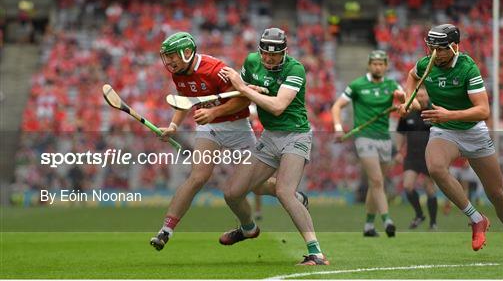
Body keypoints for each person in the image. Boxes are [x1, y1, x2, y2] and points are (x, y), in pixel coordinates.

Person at [150, 31, 307, 251]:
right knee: (197, 177)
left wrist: (215, 112)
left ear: (187, 53)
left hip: (238, 129)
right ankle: (166, 231)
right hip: (208, 129)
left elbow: (242, 101)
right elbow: (184, 99)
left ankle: (294, 195)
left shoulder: (215, 70)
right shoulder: (179, 72)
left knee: (257, 185)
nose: (169, 61)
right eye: (166, 56)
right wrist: (173, 126)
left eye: (172, 56)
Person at [398, 23, 503, 261]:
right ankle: (477, 219)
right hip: (444, 130)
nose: (434, 55)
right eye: (431, 49)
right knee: (435, 167)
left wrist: (449, 114)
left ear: (455, 47)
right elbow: (411, 76)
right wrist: (410, 101)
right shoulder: (427, 63)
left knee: (496, 193)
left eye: (440, 49)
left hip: (473, 131)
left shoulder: (468, 68)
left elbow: (483, 110)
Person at [220, 27, 329, 266]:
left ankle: (316, 253)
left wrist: (245, 89)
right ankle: (248, 228)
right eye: (265, 54)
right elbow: (238, 95)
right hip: (269, 138)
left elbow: (279, 106)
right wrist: (236, 94)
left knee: (283, 192)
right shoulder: (251, 62)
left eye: (275, 55)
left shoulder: (295, 68)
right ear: (259, 51)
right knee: (233, 193)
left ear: (284, 52)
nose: (269, 59)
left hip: (296, 135)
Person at [331, 50, 405, 237]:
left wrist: (403, 102)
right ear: (369, 65)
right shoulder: (357, 85)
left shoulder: (392, 85)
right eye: (374, 63)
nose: (378, 67)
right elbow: (337, 106)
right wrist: (339, 128)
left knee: (376, 184)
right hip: (364, 137)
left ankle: (369, 226)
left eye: (381, 64)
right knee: (377, 180)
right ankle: (387, 220)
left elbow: (413, 106)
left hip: (384, 138)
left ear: (386, 66)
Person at [395, 87, 438, 230]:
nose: (420, 97)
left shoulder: (434, 111)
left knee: (429, 188)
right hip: (412, 156)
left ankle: (433, 223)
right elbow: (400, 133)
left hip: (429, 156)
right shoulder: (407, 113)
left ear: (428, 96)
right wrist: (398, 151)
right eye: (418, 95)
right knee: (407, 186)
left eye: (423, 95)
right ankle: (419, 214)